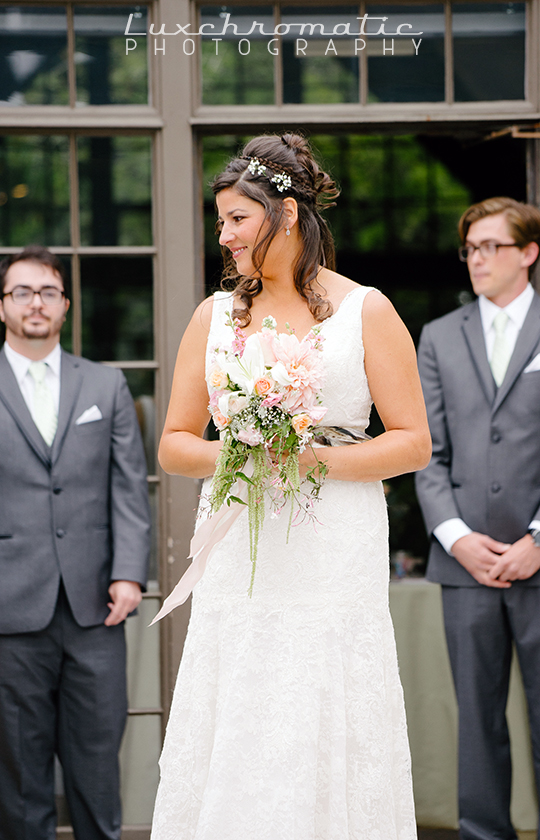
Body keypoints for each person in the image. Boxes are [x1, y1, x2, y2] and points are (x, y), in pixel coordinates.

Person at [151, 133, 431, 840]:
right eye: (221, 223)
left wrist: (311, 462)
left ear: (287, 213)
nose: (226, 236)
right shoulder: (213, 317)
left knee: (324, 690)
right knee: (244, 692)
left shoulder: (368, 310)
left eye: (237, 220)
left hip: (332, 543)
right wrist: (241, 448)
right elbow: (176, 444)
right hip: (243, 543)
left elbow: (413, 442)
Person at [0, 246, 151, 840]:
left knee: (96, 773)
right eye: (22, 292)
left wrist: (130, 572)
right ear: (3, 305)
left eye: (48, 293)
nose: (36, 303)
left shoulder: (106, 385)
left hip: (96, 608)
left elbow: (128, 488)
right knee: (20, 783)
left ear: (65, 305)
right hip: (10, 612)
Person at [415, 197, 540, 840]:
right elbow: (424, 451)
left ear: (529, 253)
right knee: (477, 722)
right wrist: (458, 540)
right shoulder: (437, 336)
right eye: (470, 248)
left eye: (491, 246)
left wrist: (539, 541)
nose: (477, 259)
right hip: (464, 567)